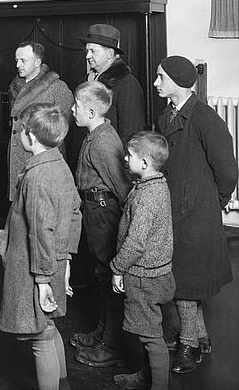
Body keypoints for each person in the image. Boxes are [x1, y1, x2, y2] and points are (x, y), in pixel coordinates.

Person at [154, 56, 237, 374]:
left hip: (196, 212)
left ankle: (189, 345)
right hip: (177, 209)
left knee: (186, 280)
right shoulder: (167, 117)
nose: (156, 83)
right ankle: (199, 336)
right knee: (187, 278)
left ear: (177, 80)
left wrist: (217, 199)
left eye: (161, 77)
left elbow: (228, 171)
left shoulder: (204, 118)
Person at [0, 103, 82, 390]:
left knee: (40, 338)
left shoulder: (36, 176)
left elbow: (41, 232)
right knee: (49, 327)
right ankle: (63, 383)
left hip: (35, 269)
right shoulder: (60, 166)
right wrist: (65, 261)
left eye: (20, 130)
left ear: (30, 137)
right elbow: (74, 214)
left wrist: (43, 281)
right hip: (54, 261)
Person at [69, 82, 133, 368]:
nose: (72, 110)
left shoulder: (104, 142)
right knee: (101, 275)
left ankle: (112, 344)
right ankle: (104, 333)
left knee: (108, 277)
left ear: (91, 111)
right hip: (95, 210)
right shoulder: (95, 135)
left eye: (76, 106)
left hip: (104, 213)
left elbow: (123, 189)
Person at [110, 131, 174, 390]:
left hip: (143, 276)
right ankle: (144, 377)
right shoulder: (156, 185)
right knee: (148, 331)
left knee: (151, 338)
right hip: (156, 274)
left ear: (145, 163)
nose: (125, 159)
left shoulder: (146, 196)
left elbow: (135, 243)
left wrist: (117, 268)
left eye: (130, 156)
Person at [8, 41, 73, 201]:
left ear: (37, 62)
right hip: (17, 153)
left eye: (23, 60)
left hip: (43, 159)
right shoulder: (14, 86)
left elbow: (64, 126)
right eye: (16, 60)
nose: (18, 65)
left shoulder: (57, 87)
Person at [79, 24, 145, 142]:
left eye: (93, 51)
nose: (87, 56)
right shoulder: (86, 80)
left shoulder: (127, 84)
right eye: (87, 51)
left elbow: (131, 133)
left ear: (109, 53)